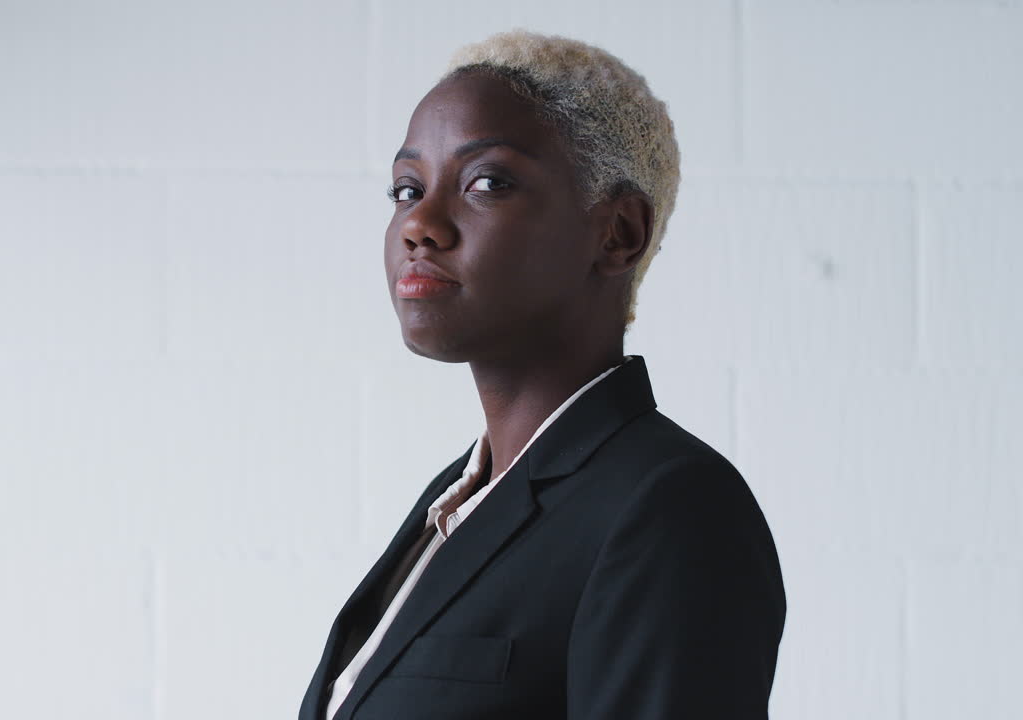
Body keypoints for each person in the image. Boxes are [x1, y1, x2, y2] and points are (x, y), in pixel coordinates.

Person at [299, 28, 785, 720]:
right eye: (406, 189)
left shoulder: (669, 509)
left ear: (617, 233)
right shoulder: (452, 504)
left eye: (486, 182)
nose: (420, 224)